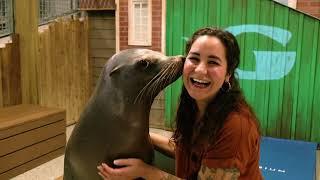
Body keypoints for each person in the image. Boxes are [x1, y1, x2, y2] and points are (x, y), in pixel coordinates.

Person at [97, 27, 262, 180]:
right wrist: (139, 136)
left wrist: (145, 172)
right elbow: (185, 151)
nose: (199, 69)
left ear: (228, 74)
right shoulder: (193, 106)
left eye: (213, 62)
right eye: (194, 58)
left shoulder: (236, 126)